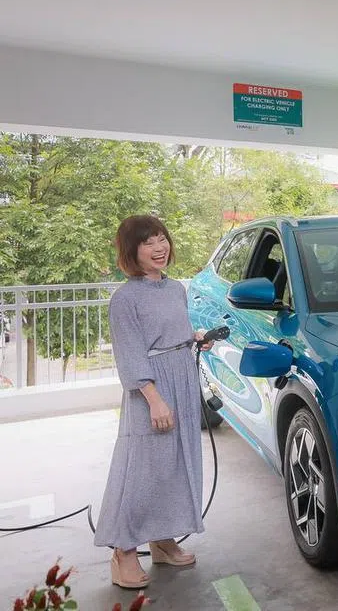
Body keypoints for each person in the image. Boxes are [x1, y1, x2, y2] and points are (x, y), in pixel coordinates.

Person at [94, 215, 214, 589]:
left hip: (182, 379)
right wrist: (154, 400)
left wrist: (195, 338)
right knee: (142, 472)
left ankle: (161, 541)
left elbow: (170, 331)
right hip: (152, 390)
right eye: (148, 242)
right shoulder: (125, 299)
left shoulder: (175, 288)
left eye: (162, 238)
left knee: (176, 466)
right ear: (132, 251)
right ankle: (123, 553)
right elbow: (130, 355)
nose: (159, 247)